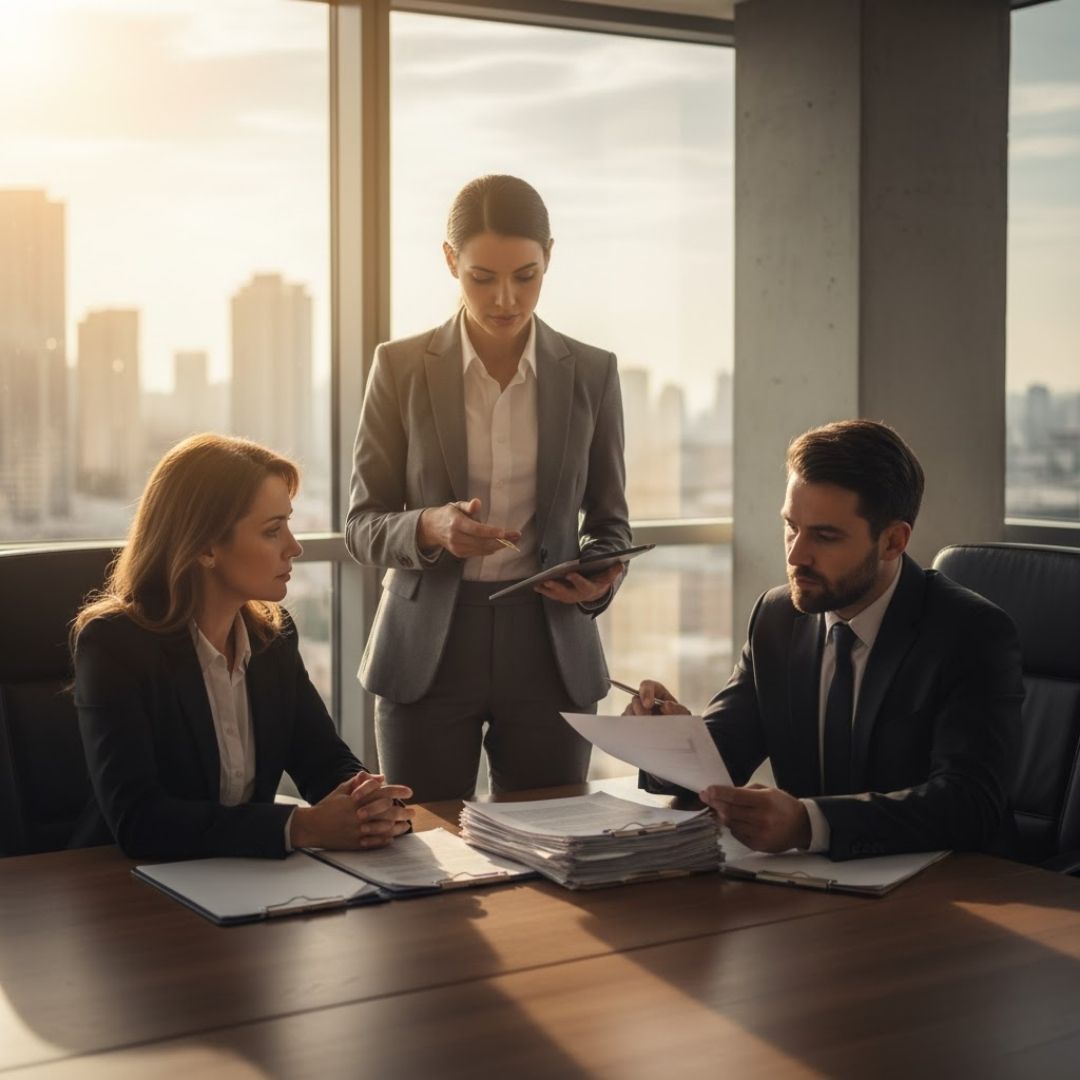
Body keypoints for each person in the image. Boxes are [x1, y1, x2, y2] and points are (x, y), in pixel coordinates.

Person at [347, 174, 631, 802]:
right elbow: (361, 525)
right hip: (428, 652)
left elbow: (611, 521)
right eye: (482, 277)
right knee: (423, 854)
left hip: (549, 644)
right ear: (451, 261)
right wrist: (430, 526)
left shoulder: (591, 372)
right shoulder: (399, 368)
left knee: (553, 858)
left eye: (525, 275)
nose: (505, 298)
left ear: (549, 257)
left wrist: (600, 575)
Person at [628, 419, 1023, 860]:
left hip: (949, 891)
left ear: (893, 541)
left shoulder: (970, 634)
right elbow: (724, 760)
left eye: (825, 536)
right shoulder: (777, 618)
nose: (796, 555)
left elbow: (970, 803)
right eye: (791, 527)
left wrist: (809, 824)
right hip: (811, 889)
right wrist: (671, 742)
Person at [71, 434, 415, 860]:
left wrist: (368, 801)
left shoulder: (272, 637)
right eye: (273, 530)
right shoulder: (115, 645)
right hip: (131, 890)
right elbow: (140, 820)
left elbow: (323, 760)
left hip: (248, 885)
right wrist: (300, 826)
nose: (294, 547)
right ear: (205, 547)